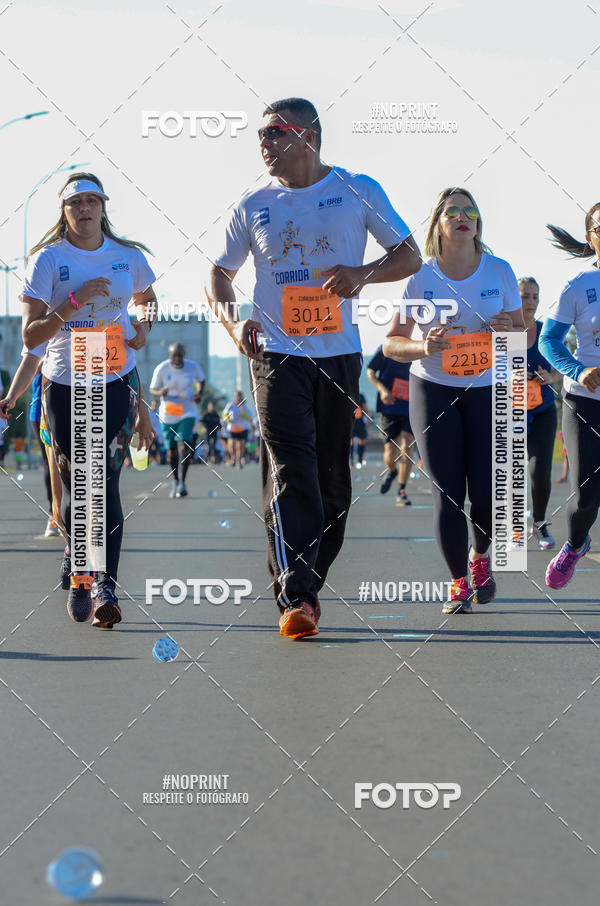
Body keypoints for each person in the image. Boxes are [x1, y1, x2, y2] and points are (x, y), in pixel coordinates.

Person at [207, 96, 420, 639]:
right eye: (260, 134)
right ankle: (295, 595)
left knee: (333, 483)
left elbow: (409, 255)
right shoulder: (253, 202)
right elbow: (218, 275)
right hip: (277, 357)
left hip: (338, 356)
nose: (264, 143)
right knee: (290, 468)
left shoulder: (357, 188)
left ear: (309, 137)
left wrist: (361, 273)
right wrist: (237, 326)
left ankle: (308, 580)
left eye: (275, 132)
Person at [21, 172, 156, 627]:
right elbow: (30, 334)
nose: (84, 209)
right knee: (77, 486)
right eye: (74, 202)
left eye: (91, 201)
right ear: (64, 211)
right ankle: (79, 564)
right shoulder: (48, 261)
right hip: (63, 381)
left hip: (114, 377)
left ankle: (105, 587)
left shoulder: (127, 257)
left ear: (104, 207)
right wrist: (72, 301)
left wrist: (143, 328)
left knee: (105, 483)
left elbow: (148, 299)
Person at [384, 186, 525, 614]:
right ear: (439, 225)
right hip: (434, 388)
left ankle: (479, 558)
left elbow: (522, 337)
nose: (463, 217)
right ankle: (458, 583)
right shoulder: (421, 277)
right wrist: (424, 348)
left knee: (484, 492)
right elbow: (392, 344)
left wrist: (507, 332)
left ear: (479, 224)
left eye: (470, 211)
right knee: (447, 492)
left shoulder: (499, 271)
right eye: (453, 212)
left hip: (486, 389)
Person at [540, 203, 600, 588]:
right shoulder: (578, 285)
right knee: (586, 498)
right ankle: (576, 543)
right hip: (585, 400)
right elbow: (548, 341)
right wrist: (579, 371)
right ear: (591, 236)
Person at [518, 277, 562, 550]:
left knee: (540, 470)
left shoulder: (546, 334)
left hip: (543, 410)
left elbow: (564, 367)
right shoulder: (503, 332)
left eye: (534, 297)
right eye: (524, 296)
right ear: (514, 297)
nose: (530, 302)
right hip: (508, 411)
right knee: (507, 472)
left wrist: (550, 376)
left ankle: (540, 522)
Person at [149, 342, 205, 498]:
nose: (178, 359)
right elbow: (152, 389)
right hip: (168, 413)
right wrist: (160, 391)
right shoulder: (162, 368)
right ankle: (175, 480)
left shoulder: (192, 367)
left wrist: (199, 393)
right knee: (172, 451)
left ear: (184, 355)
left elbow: (202, 380)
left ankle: (182, 482)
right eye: (175, 356)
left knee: (184, 446)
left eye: (181, 355)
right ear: (170, 356)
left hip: (187, 412)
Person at [367, 344, 414, 506]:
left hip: (411, 407)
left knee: (407, 446)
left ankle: (402, 490)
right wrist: (382, 390)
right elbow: (370, 372)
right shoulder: (386, 347)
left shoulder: (421, 347)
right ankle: (392, 471)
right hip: (390, 405)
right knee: (390, 451)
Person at [222, 390, 253, 468]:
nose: (238, 398)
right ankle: (233, 457)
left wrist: (243, 412)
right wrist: (227, 419)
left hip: (243, 428)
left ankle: (239, 460)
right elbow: (224, 415)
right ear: (235, 397)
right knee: (232, 444)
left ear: (242, 397)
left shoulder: (244, 406)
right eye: (236, 396)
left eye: (239, 396)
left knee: (241, 446)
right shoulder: (230, 405)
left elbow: (249, 417)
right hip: (232, 428)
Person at [350, 393, 369, 468]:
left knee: (362, 441)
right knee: (350, 442)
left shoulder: (361, 396)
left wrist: (367, 420)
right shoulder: (347, 393)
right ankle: (351, 461)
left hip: (360, 422)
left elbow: (365, 408)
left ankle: (360, 460)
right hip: (350, 421)